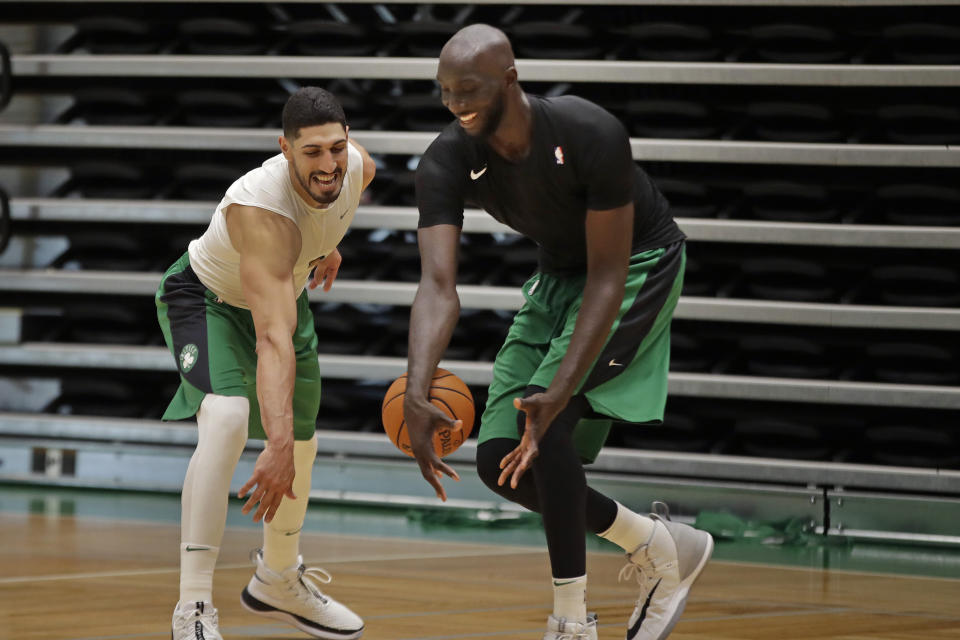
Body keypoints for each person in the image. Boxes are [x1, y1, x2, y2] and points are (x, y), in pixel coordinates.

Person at [403, 24, 713, 640]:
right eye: (445, 92)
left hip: (635, 267)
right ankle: (655, 544)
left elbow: (608, 275)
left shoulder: (589, 132)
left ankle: (571, 622)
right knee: (498, 461)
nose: (456, 104)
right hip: (559, 277)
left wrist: (561, 390)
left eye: (470, 90)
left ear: (510, 81)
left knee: (548, 432)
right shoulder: (446, 159)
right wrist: (417, 389)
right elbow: (438, 288)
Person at [155, 86, 375, 640]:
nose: (329, 164)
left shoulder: (358, 168)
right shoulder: (261, 209)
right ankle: (194, 608)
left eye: (336, 148)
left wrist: (324, 246)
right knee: (229, 417)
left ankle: (278, 579)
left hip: (283, 291)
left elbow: (332, 210)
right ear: (284, 148)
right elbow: (272, 340)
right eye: (312, 153)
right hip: (207, 300)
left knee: (304, 440)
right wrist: (270, 445)